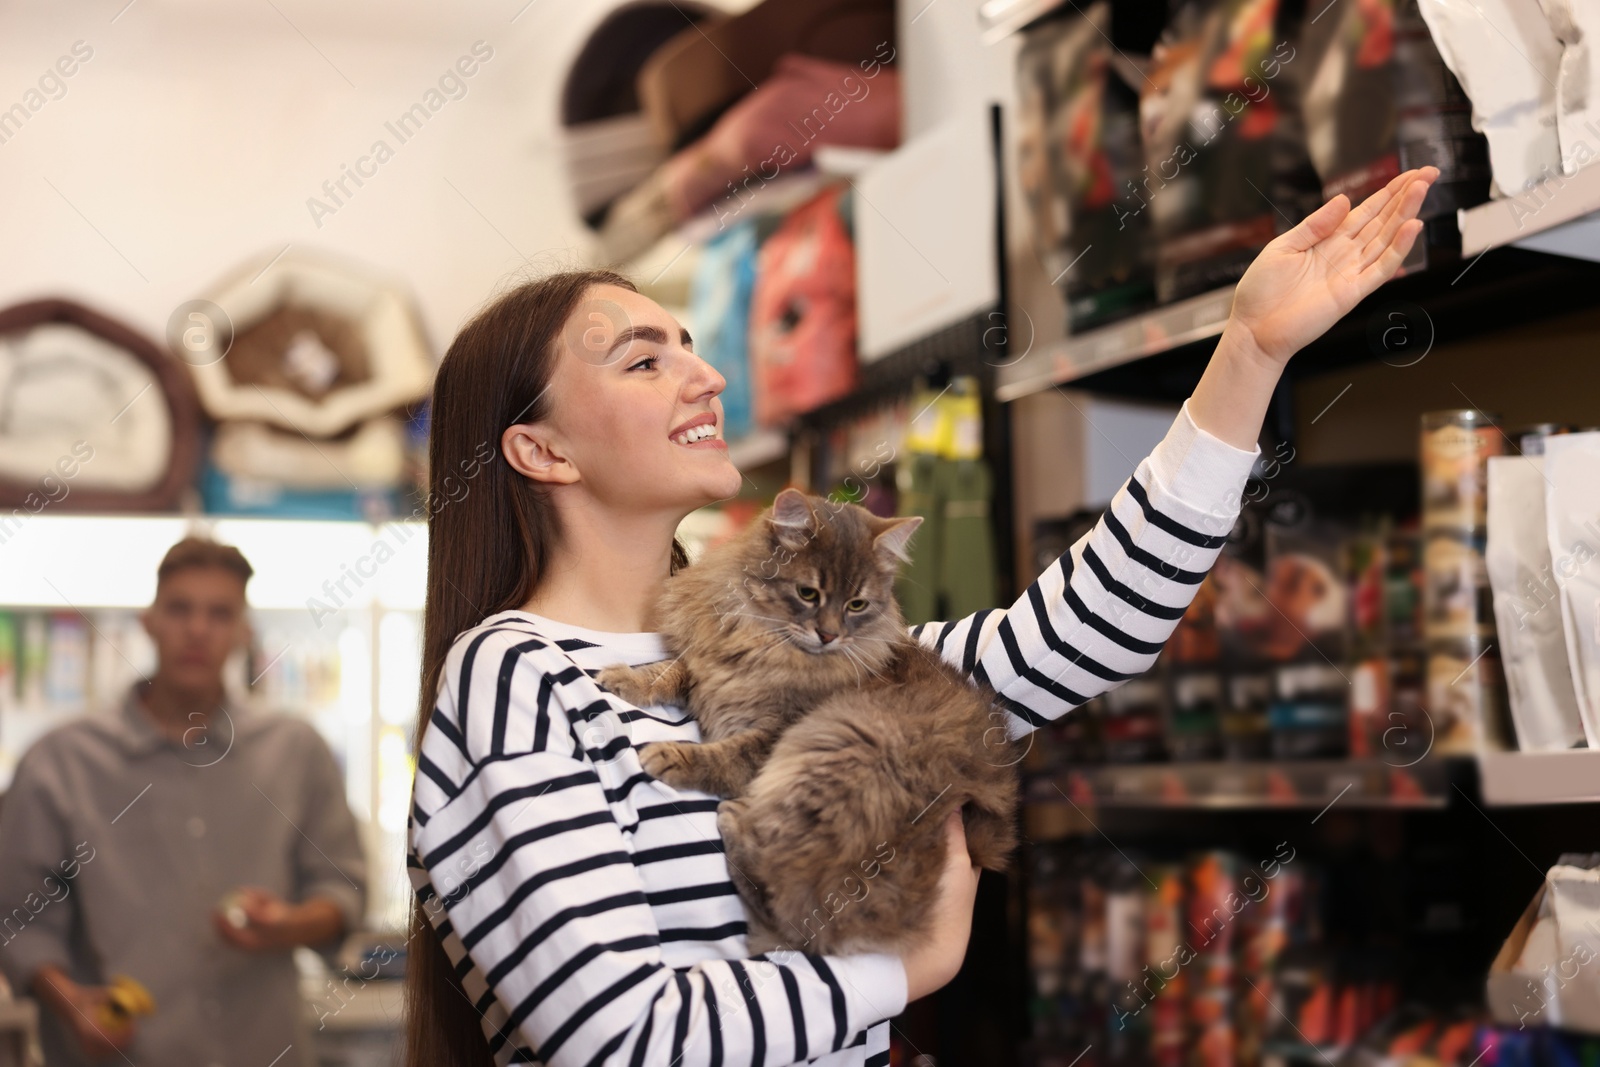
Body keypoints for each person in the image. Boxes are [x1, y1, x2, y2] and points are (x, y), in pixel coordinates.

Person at [403, 168, 1440, 1066]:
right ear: (540, 450)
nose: (705, 373)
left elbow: (1071, 634)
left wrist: (1246, 356)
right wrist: (900, 969)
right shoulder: (518, 678)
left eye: (688, 344)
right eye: (642, 360)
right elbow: (616, 1033)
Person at [0, 536, 367, 1067]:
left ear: (243, 632)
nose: (197, 629)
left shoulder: (295, 750)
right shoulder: (60, 761)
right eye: (179, 609)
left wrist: (289, 925)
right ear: (148, 621)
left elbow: (343, 885)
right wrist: (72, 1002)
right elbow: (17, 919)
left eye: (219, 613)